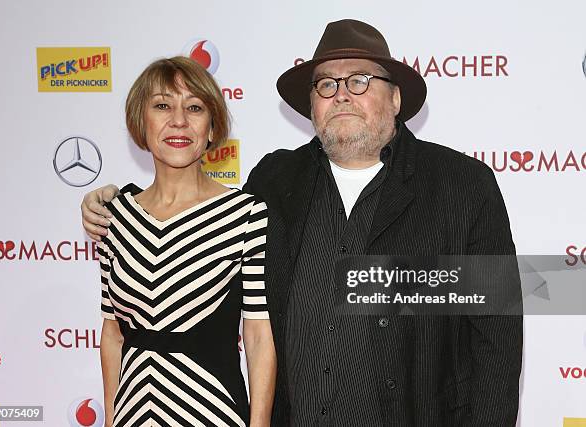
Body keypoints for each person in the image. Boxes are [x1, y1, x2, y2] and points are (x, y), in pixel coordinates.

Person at [83, 20, 522, 426]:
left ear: (396, 98)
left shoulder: (461, 187)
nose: (342, 94)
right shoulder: (274, 182)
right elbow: (193, 222)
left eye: (360, 80)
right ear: (311, 103)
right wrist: (107, 200)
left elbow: (496, 343)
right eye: (326, 84)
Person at [95, 56, 276, 427]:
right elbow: (112, 334)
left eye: (194, 107)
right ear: (140, 123)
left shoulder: (244, 215)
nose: (178, 120)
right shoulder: (115, 216)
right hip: (133, 412)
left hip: (212, 411)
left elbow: (258, 337)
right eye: (162, 106)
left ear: (211, 128)